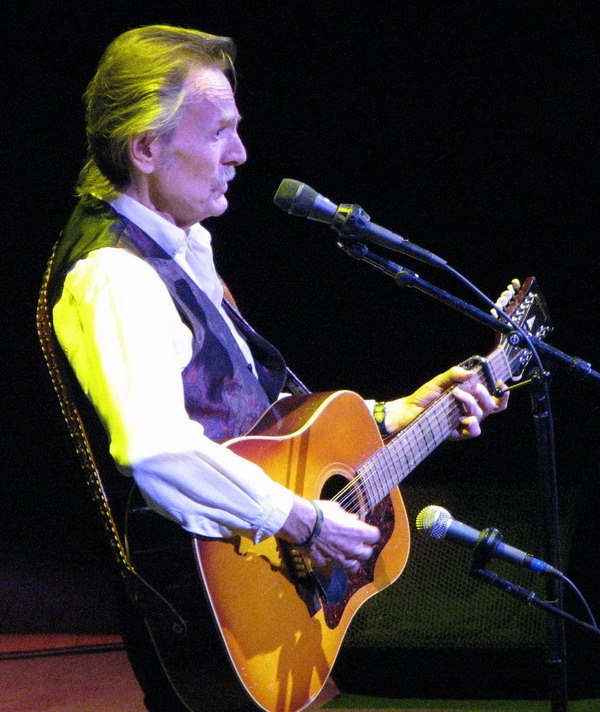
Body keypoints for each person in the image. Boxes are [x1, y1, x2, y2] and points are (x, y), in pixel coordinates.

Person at [46, 24, 509, 712]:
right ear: (145, 148)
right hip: (217, 605)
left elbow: (250, 412)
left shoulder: (179, 243)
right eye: (217, 134)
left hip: (265, 595)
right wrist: (304, 522)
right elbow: (158, 450)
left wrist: (397, 415)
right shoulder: (116, 275)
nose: (239, 154)